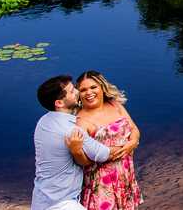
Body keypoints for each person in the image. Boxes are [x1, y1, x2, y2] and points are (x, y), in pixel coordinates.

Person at [33, 75, 112, 210]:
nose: (77, 92)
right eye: (71, 92)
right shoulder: (71, 130)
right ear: (59, 103)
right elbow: (102, 154)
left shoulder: (43, 122)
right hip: (61, 204)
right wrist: (130, 145)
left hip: (41, 199)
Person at [73, 71, 142, 210]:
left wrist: (133, 142)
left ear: (102, 88)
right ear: (78, 94)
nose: (89, 93)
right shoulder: (80, 121)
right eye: (83, 90)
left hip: (125, 174)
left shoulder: (115, 105)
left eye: (93, 87)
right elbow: (84, 160)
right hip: (101, 182)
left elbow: (134, 129)